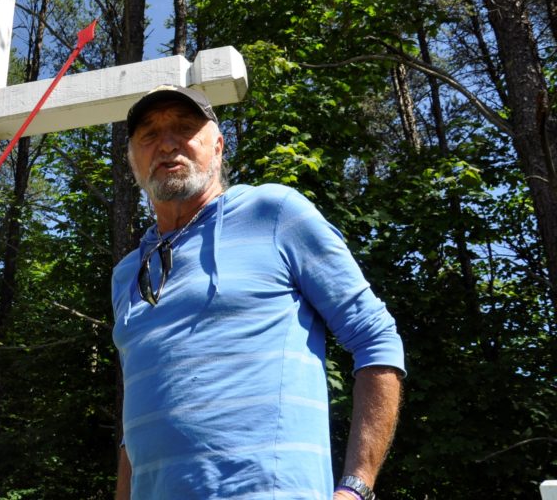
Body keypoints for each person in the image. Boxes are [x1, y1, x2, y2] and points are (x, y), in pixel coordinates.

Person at [112, 85, 405, 500]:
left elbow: (376, 338)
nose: (167, 144)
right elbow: (137, 422)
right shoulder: (128, 273)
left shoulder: (274, 213)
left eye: (184, 128)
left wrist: (356, 487)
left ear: (218, 146)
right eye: (149, 134)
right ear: (132, 160)